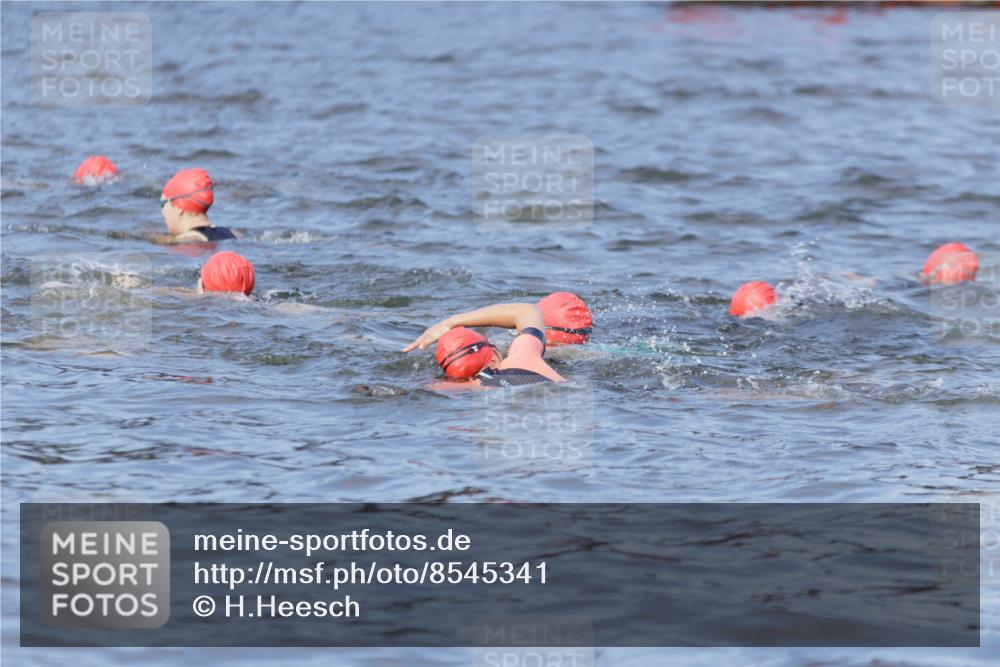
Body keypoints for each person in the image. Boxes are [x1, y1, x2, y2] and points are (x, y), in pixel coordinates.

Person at [403, 302, 564, 387]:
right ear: (494, 358)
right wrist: (450, 322)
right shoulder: (520, 358)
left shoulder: (464, 387)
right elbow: (528, 311)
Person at [153, 168, 240, 244]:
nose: (162, 211)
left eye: (163, 203)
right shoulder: (233, 233)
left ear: (178, 207)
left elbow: (181, 241)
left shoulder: (191, 239)